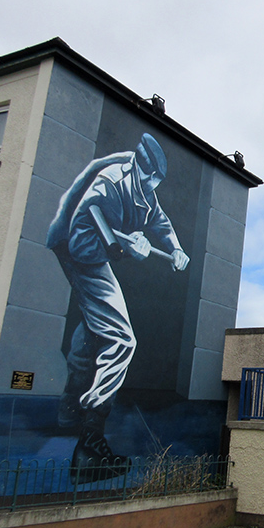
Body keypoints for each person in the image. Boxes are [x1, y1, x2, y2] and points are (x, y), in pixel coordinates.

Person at [47, 133, 190, 481]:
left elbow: (160, 221)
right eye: (151, 179)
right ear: (143, 169)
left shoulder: (143, 189)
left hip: (94, 251)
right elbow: (93, 216)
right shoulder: (111, 181)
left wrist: (175, 248)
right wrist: (123, 246)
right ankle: (89, 447)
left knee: (96, 327)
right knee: (122, 340)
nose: (152, 186)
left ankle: (69, 408)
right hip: (82, 251)